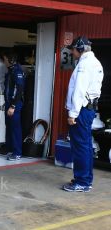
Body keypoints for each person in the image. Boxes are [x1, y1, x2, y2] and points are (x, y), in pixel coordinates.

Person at [63, 36, 104, 192]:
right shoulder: (95, 63)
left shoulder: (85, 65)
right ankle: (86, 180)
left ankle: (81, 182)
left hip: (80, 110)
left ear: (79, 49)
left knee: (80, 146)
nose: (72, 52)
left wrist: (72, 114)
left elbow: (79, 91)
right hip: (87, 109)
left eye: (73, 49)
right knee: (85, 146)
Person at [3, 50, 25, 161]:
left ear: (10, 60)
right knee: (10, 127)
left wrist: (13, 106)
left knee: (15, 129)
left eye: (5, 60)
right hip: (8, 103)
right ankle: (11, 150)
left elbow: (19, 89)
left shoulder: (17, 71)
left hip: (14, 105)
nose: (4, 62)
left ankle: (17, 153)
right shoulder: (10, 71)